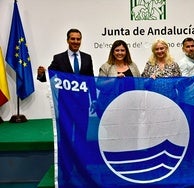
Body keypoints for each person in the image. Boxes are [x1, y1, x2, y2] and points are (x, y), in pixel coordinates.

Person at [37, 28, 97, 184]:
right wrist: (41, 74)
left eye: (78, 39)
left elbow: (90, 80)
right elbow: (48, 77)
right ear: (67, 40)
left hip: (83, 103)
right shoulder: (59, 58)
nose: (76, 42)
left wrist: (94, 100)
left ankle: (81, 164)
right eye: (73, 39)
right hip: (66, 105)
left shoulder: (87, 58)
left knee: (82, 134)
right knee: (67, 134)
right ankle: (67, 167)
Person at [96, 40, 140, 118]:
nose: (120, 53)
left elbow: (140, 83)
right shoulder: (106, 66)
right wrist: (114, 79)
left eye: (122, 50)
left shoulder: (133, 66)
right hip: (110, 106)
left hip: (130, 106)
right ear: (113, 52)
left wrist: (150, 79)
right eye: (117, 50)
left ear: (126, 52)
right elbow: (99, 84)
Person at [177, 37, 194, 155]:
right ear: (183, 49)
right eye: (188, 47)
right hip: (187, 101)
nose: (191, 49)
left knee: (193, 128)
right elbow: (182, 82)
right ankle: (184, 154)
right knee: (186, 129)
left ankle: (190, 152)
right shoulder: (183, 63)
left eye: (192, 46)